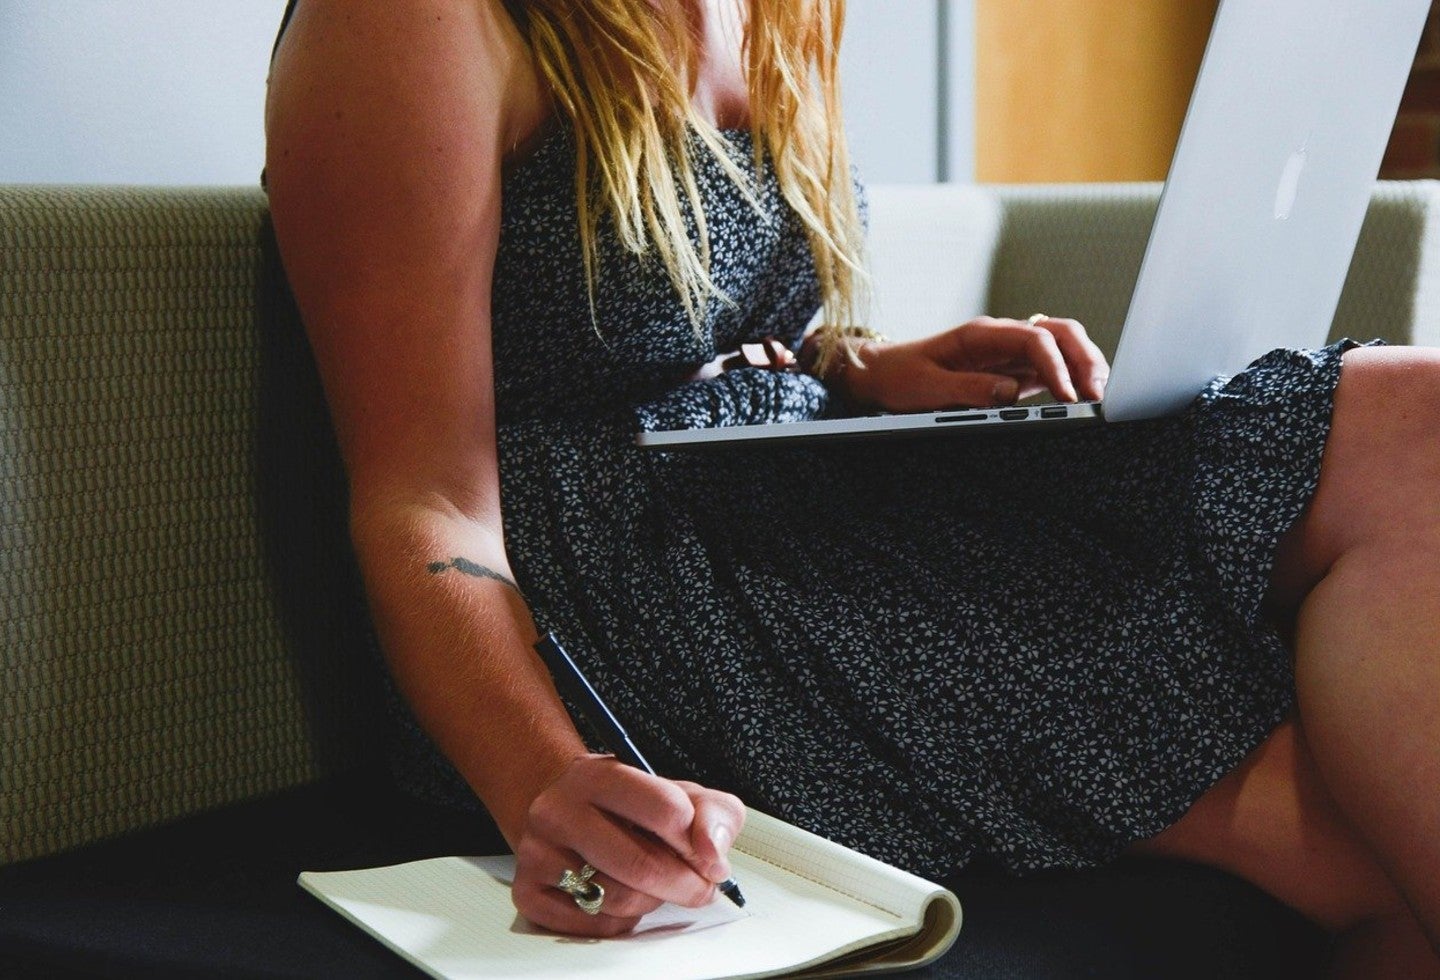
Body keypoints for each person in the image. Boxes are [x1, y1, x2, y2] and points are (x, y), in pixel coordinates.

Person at [264, 0, 1440, 971]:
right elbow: (423, 498)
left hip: (784, 495)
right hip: (617, 596)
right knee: (1356, 844)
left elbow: (692, 320)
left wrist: (864, 369)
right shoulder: (410, 22)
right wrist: (544, 778)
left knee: (1415, 416)